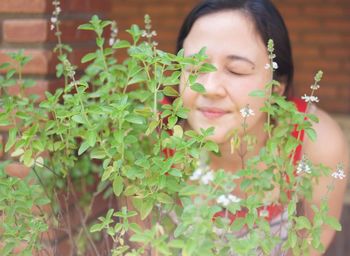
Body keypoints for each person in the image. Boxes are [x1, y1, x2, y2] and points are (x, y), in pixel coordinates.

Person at [174, 0, 349, 255]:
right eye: (195, 67)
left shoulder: (314, 142)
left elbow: (314, 238)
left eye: (236, 70)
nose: (210, 87)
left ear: (275, 88)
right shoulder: (153, 137)